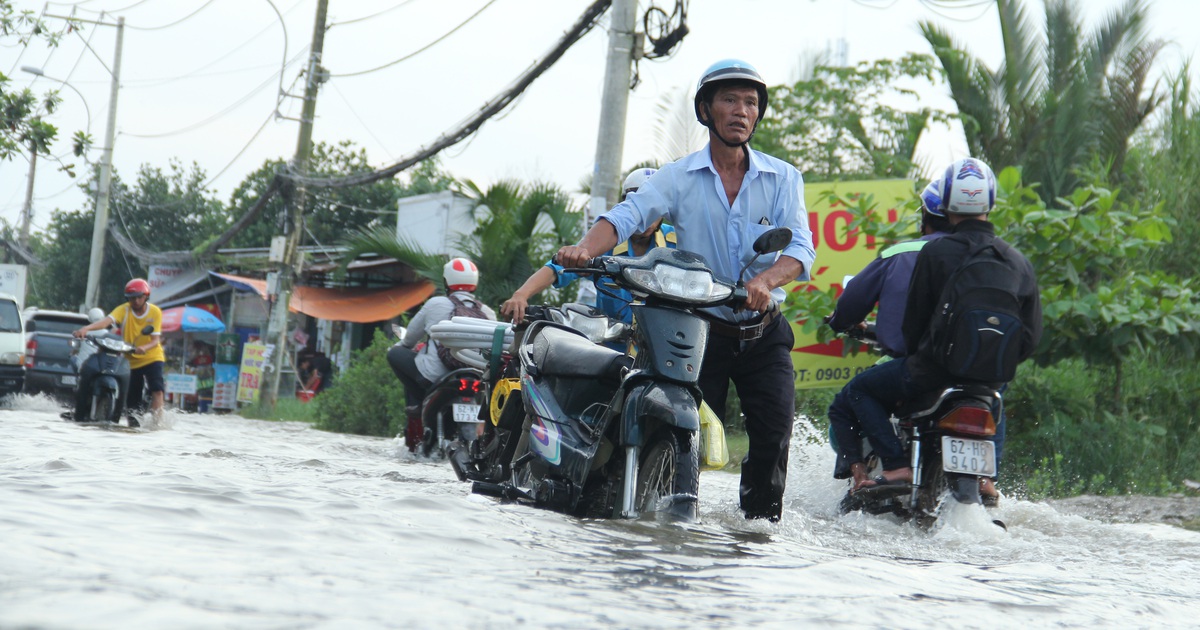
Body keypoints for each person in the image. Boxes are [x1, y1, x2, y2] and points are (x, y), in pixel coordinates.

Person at [556, 59, 816, 522]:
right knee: (681, 433)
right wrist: (582, 248)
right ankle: (673, 524)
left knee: (774, 438)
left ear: (759, 114)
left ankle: (757, 539)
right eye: (730, 100)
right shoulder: (678, 176)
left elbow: (799, 248)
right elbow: (627, 217)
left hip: (764, 331)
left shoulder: (783, 177)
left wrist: (765, 280)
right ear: (706, 110)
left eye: (751, 103)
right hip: (700, 332)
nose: (741, 111)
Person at [838, 158, 1041, 494]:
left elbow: (914, 323)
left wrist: (924, 357)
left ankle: (896, 466)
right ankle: (988, 480)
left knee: (859, 390)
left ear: (946, 204)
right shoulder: (1017, 260)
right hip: (990, 376)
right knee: (995, 392)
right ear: (990, 202)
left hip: (931, 369)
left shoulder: (936, 252)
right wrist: (994, 364)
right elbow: (1031, 336)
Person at [501, 167, 676, 325]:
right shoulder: (605, 241)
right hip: (610, 346)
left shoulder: (677, 244)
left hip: (662, 348)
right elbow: (557, 267)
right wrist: (521, 295)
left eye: (651, 210)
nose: (645, 218)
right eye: (638, 208)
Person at [387, 258, 496, 451]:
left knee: (395, 353)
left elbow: (409, 340)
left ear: (446, 282)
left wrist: (407, 344)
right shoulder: (487, 312)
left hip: (436, 377)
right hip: (476, 377)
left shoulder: (435, 303)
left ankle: (417, 404)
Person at [72, 278, 166, 426]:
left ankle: (157, 424)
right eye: (131, 298)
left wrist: (144, 348)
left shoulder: (155, 312)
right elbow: (106, 322)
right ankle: (133, 425)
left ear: (146, 296)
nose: (135, 301)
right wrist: (86, 329)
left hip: (152, 357)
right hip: (130, 358)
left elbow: (155, 340)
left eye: (138, 297)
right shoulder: (124, 309)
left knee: (158, 390)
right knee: (132, 399)